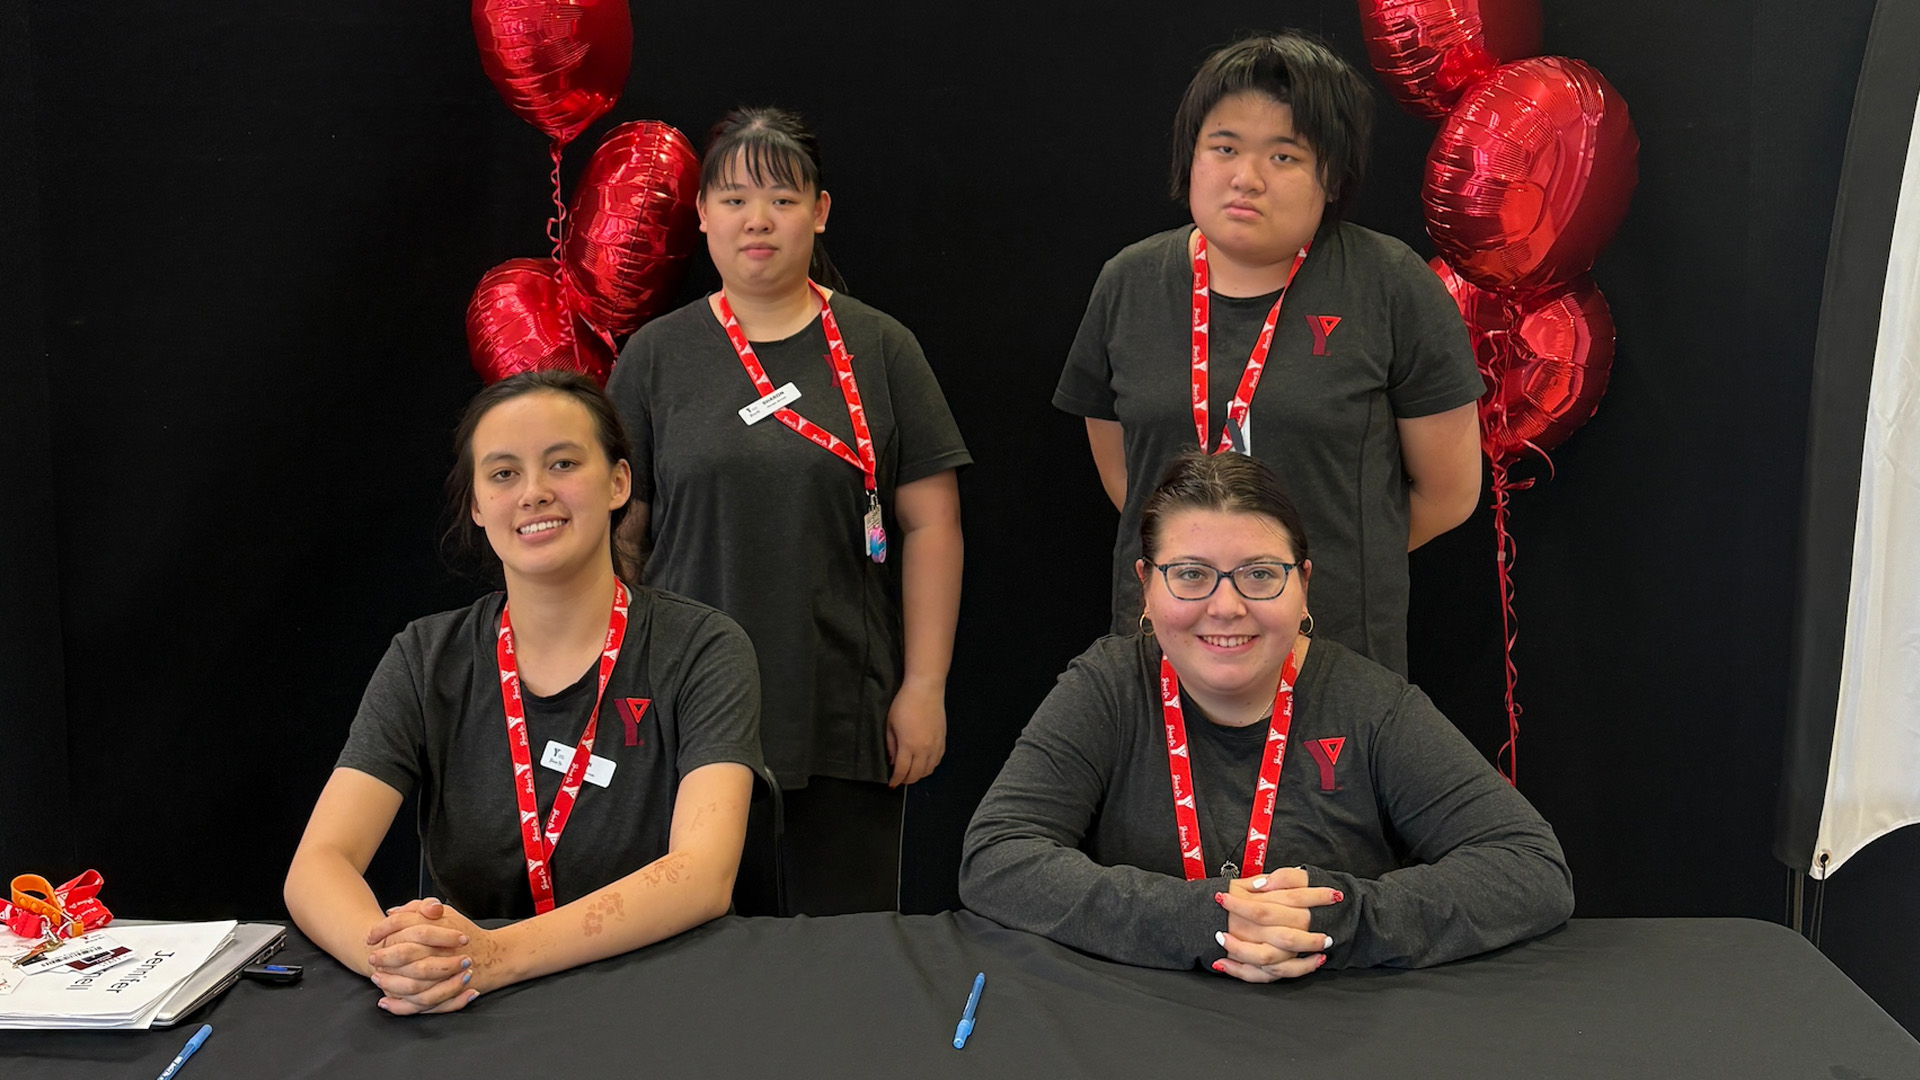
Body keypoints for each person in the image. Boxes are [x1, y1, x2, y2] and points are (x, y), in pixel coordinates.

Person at [959, 450, 1571, 979]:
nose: (1226, 606)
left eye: (1259, 575)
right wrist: (1196, 918)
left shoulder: (1373, 706)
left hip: (1337, 1030)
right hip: (1137, 1025)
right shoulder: (1106, 689)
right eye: (1191, 575)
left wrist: (1339, 918)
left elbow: (1530, 868)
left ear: (1303, 584)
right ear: (1145, 586)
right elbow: (998, 856)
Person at [284, 371, 761, 1015]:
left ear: (619, 482)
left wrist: (495, 958)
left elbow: (702, 877)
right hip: (467, 1004)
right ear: (478, 506)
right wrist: (394, 963)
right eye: (503, 474)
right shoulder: (426, 657)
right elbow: (319, 863)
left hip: (657, 997)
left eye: (563, 463)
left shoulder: (703, 646)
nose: (534, 493)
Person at [607, 107, 970, 915]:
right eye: (733, 199)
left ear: (820, 210)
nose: (758, 220)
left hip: (845, 703)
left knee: (842, 961)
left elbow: (931, 525)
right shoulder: (656, 357)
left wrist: (925, 686)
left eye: (781, 196)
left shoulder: (881, 348)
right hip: (684, 709)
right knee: (694, 955)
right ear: (700, 215)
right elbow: (620, 535)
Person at [1054, 31, 1485, 676]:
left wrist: (1309, 567)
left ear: (1331, 174)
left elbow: (1449, 493)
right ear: (1191, 157)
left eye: (1284, 156)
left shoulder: (1390, 284)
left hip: (1333, 654)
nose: (1245, 178)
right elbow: (1128, 475)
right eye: (1223, 147)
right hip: (1164, 652)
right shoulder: (1130, 282)